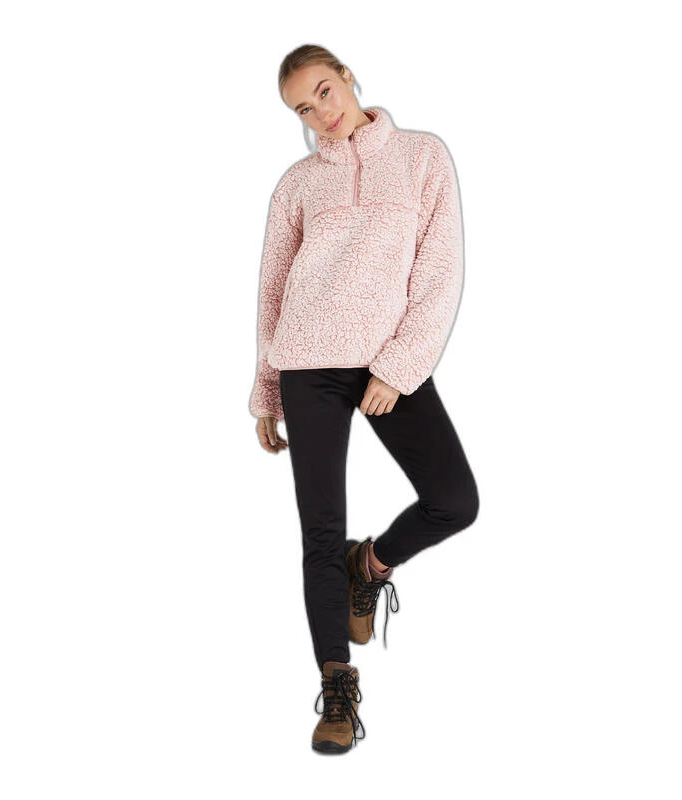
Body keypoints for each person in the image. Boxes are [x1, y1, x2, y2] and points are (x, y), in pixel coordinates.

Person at [248, 44, 479, 755]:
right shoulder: (297, 184)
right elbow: (273, 289)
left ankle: (369, 566)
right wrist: (266, 390)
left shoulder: (421, 157)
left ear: (346, 76)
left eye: (324, 90)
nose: (320, 112)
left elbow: (439, 272)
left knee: (455, 500)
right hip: (307, 364)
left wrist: (398, 368)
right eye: (302, 107)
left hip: (387, 363)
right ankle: (337, 689)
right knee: (319, 532)